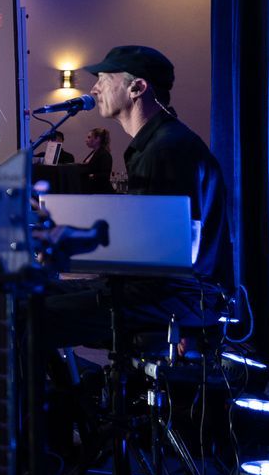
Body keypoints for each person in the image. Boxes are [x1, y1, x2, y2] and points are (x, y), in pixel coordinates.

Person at [83, 45, 231, 324]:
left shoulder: (166, 149)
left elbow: (164, 248)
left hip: (174, 296)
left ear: (137, 88)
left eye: (103, 79)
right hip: (155, 289)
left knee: (33, 311)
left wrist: (74, 242)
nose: (94, 89)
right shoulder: (159, 142)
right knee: (31, 301)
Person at [79, 126, 114, 193]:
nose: (86, 140)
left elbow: (105, 175)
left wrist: (90, 176)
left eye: (89, 137)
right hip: (93, 190)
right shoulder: (94, 152)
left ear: (97, 139)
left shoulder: (104, 154)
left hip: (102, 192)